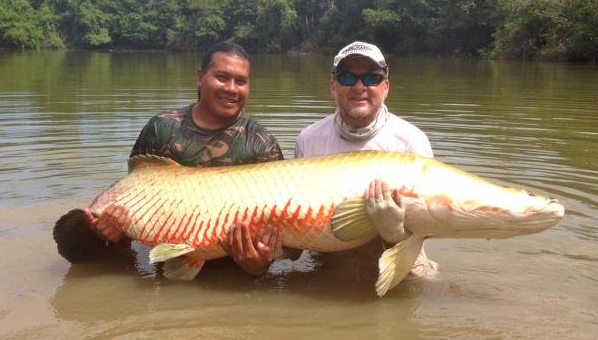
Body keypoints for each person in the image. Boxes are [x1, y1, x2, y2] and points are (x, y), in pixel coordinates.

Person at [54, 42, 284, 277]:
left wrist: (259, 267)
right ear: (200, 77)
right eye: (222, 77)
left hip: (231, 274)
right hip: (167, 261)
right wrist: (109, 231)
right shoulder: (162, 129)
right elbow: (134, 201)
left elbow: (277, 236)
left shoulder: (260, 143)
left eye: (241, 81)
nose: (232, 89)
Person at [294, 40, 438, 278]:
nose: (359, 87)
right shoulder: (309, 139)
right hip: (327, 254)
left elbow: (429, 224)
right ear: (333, 85)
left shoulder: (412, 141)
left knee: (425, 283)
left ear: (386, 86)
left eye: (371, 78)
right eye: (348, 78)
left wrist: (393, 231)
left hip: (400, 249)